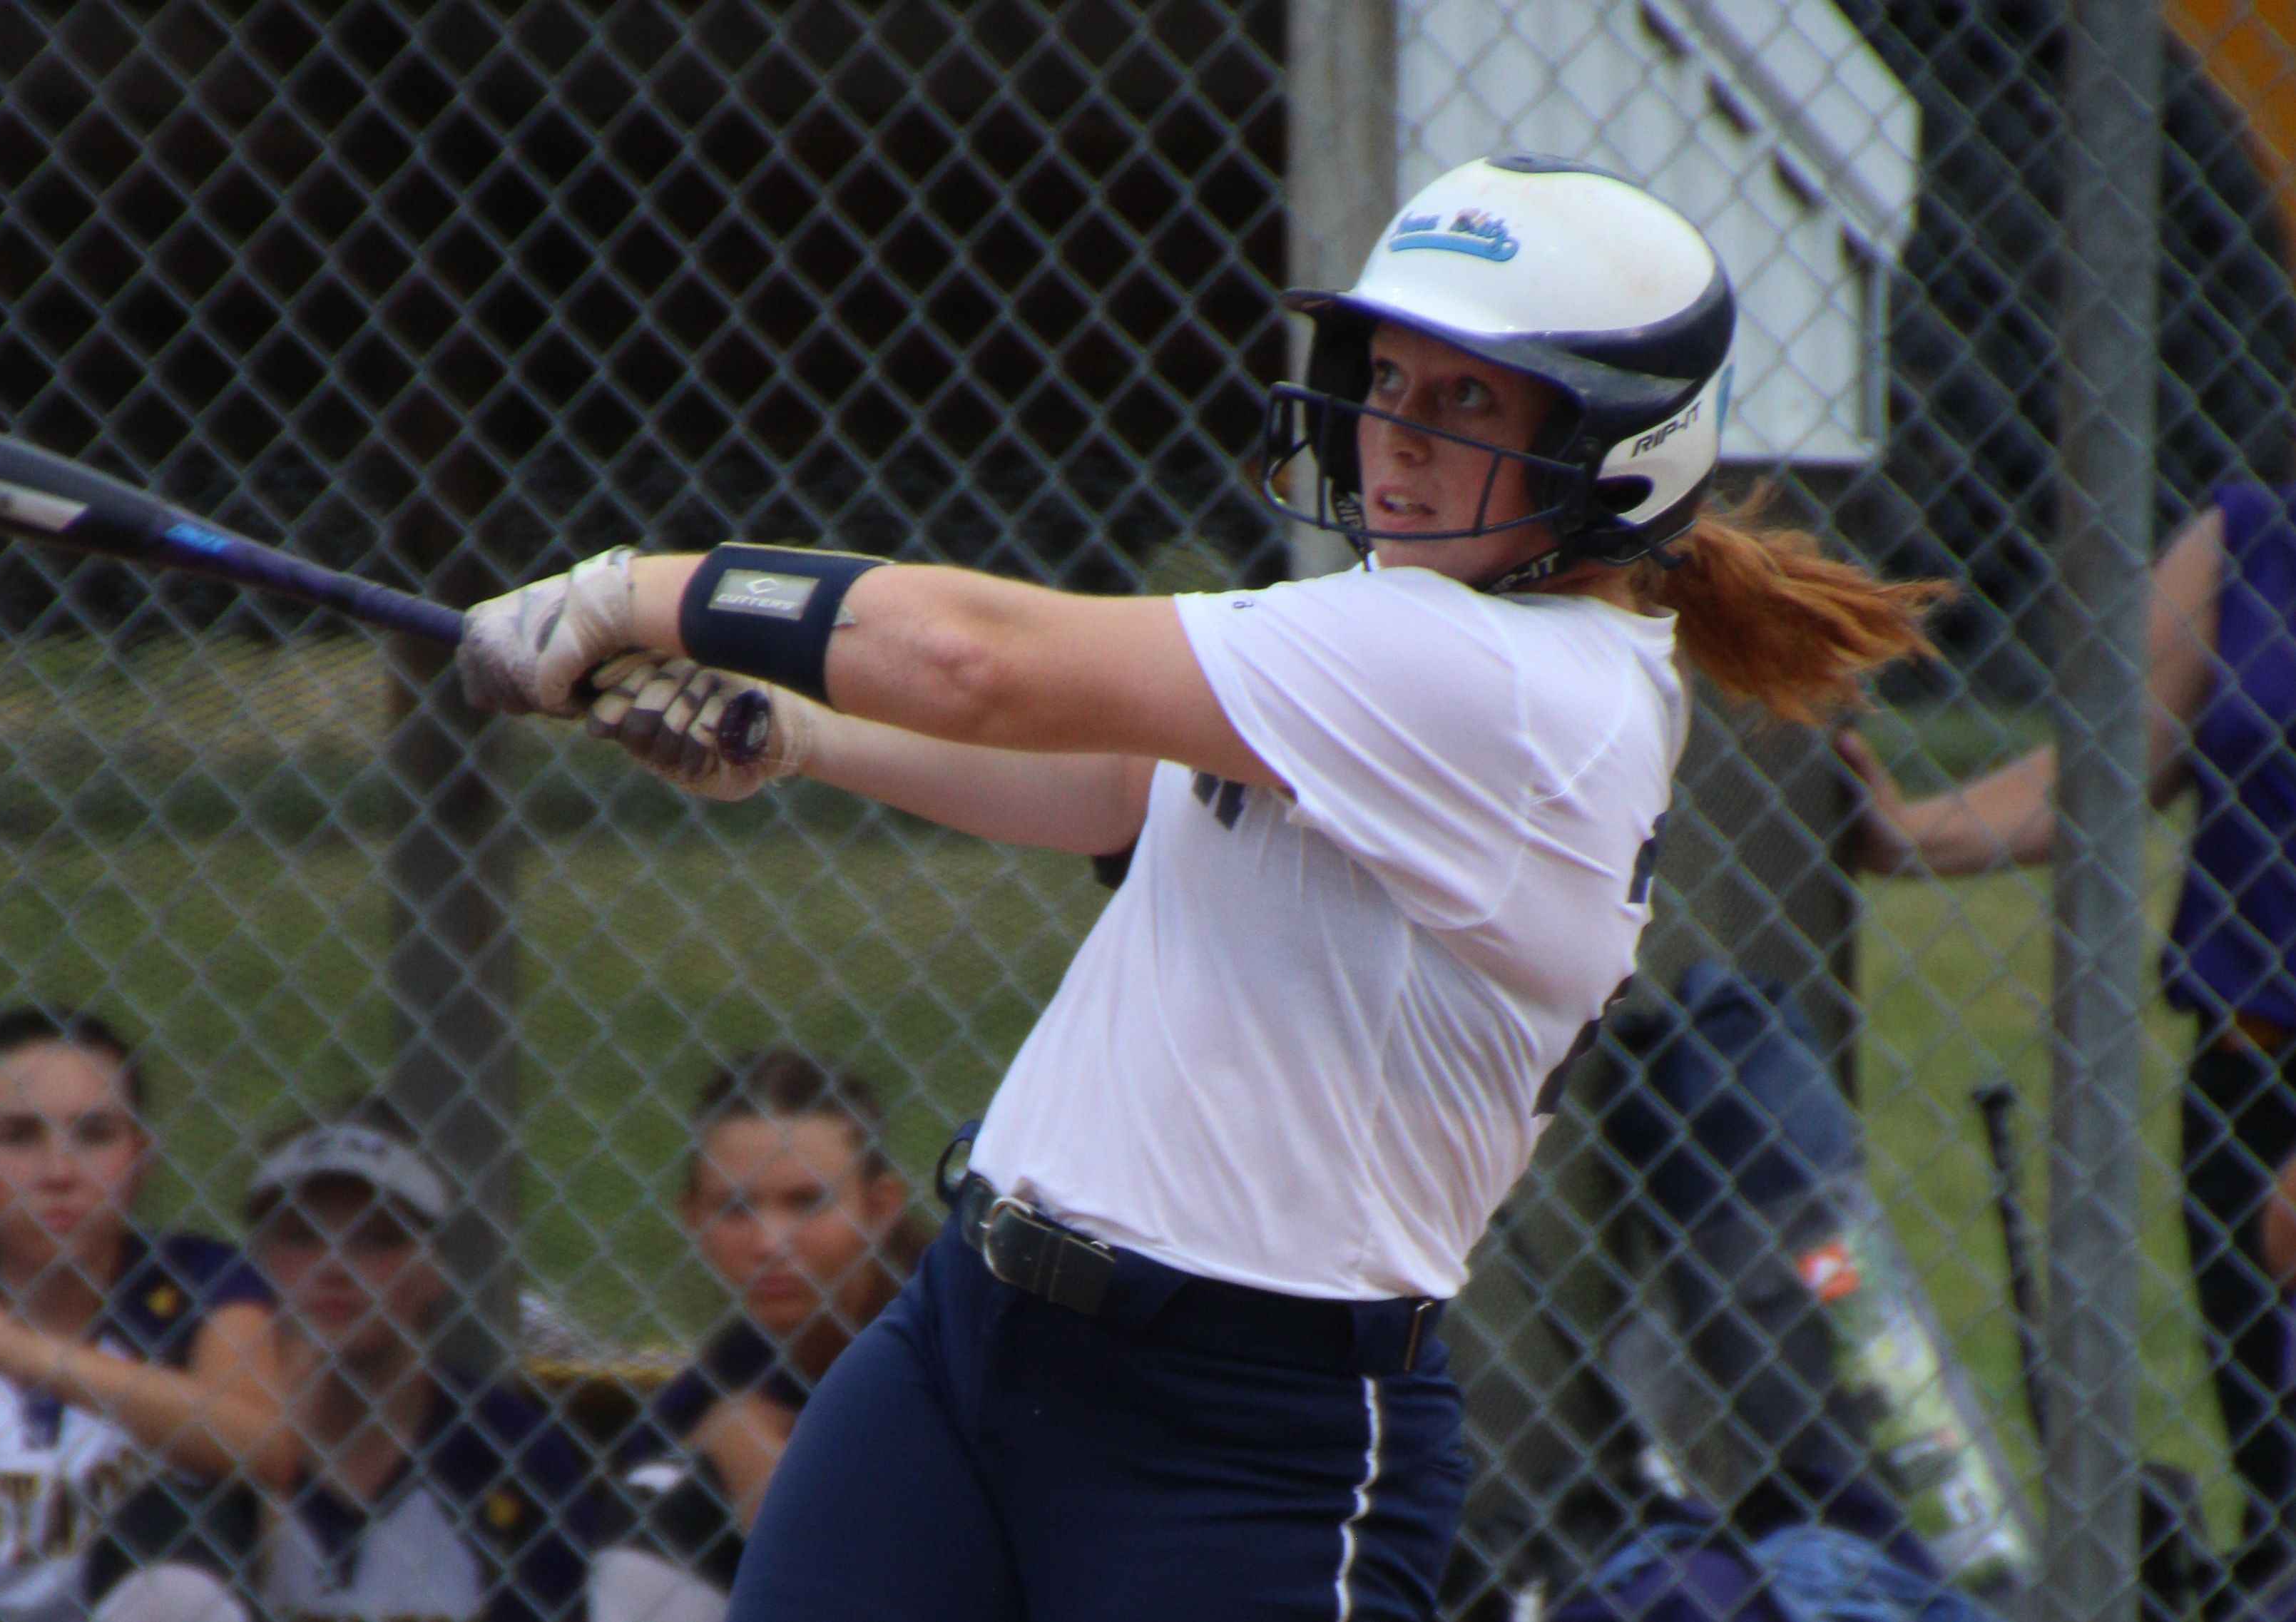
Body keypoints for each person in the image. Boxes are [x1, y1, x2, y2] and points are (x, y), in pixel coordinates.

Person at [455, 154, 1942, 1621]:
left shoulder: (1514, 682)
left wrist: (634, 591)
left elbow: (984, 662)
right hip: (970, 1341)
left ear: (1622, 450)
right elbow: (1120, 784)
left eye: (1469, 400)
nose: (1397, 440)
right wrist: (802, 735)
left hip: (1237, 1440)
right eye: (1388, 384)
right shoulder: (1396, 626)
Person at [1835, 484, 2296, 1588]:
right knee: (2277, 1502)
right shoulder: (2252, 540)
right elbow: (2097, 761)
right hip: (2243, 1088)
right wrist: (1908, 834)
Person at [85, 1097, 593, 1622]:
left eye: (375, 1239)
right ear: (253, 1260)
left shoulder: (509, 1452)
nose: (335, 1266)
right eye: (301, 1236)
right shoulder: (208, 1443)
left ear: (435, 1266)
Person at [0, 1005, 285, 1622]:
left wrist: (24, 1352)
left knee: (177, 1555)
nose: (59, 1172)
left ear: (140, 1158)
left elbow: (268, 1444)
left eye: (95, 1134)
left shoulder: (197, 1280)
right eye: (17, 1136)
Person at [591, 1051, 927, 1622]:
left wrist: (783, 1498)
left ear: (879, 1208)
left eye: (807, 1201)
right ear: (692, 1216)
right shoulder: (721, 1387)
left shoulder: (949, 1347)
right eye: (735, 1207)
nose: (770, 1242)